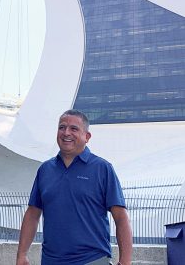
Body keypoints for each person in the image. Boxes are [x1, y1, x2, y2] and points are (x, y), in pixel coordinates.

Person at [16, 109, 132, 265]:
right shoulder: (45, 170)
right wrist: (21, 254)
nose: (66, 133)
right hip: (51, 261)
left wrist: (125, 261)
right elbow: (32, 213)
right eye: (62, 127)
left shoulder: (102, 168)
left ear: (87, 137)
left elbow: (121, 217)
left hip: (93, 260)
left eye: (74, 129)